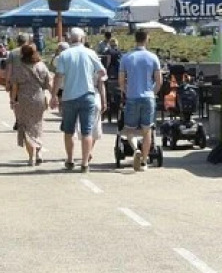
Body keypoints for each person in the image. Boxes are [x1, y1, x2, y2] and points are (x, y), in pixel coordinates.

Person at [52, 28, 107, 172]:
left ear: (70, 39)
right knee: (86, 131)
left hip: (69, 96)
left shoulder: (64, 55)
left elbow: (58, 76)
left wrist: (53, 95)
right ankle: (84, 163)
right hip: (87, 95)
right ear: (83, 39)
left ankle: (70, 160)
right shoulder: (91, 53)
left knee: (68, 130)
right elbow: (102, 72)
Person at [118, 30, 163, 171]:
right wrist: (153, 93)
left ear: (135, 39)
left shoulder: (126, 58)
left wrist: (127, 91)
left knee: (130, 130)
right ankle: (144, 160)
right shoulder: (153, 57)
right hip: (148, 97)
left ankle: (134, 148)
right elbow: (159, 81)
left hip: (132, 96)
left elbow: (121, 81)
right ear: (147, 39)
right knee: (147, 129)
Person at [8, 42, 53, 166]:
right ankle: (39, 152)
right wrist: (54, 96)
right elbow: (49, 83)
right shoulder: (42, 66)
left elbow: (15, 86)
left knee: (26, 128)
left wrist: (12, 100)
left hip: (24, 99)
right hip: (39, 98)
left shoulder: (20, 67)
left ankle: (31, 157)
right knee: (37, 125)